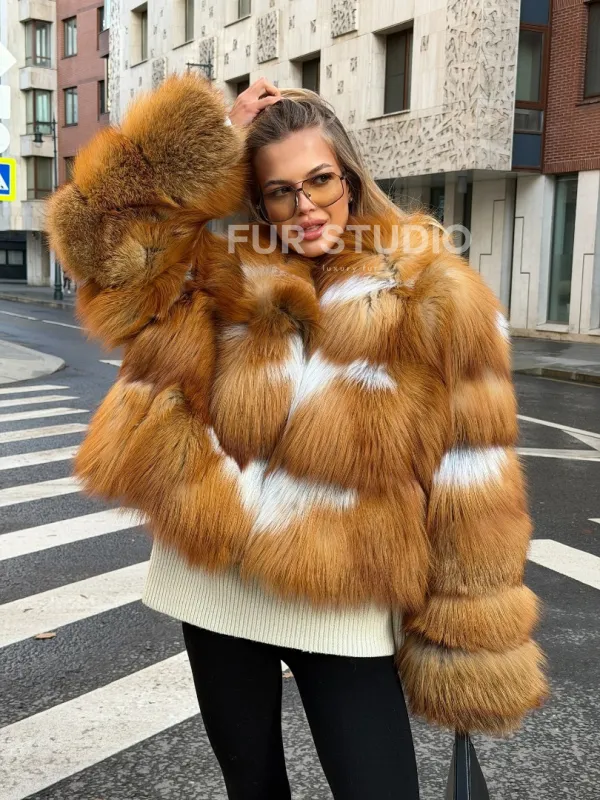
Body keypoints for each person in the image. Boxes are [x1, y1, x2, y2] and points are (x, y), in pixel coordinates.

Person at [46, 74, 549, 800]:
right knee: (252, 787)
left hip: (343, 594)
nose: (305, 207)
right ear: (258, 198)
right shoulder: (226, 271)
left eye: (320, 180)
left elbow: (475, 478)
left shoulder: (434, 291)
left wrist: (469, 643)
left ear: (349, 175)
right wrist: (211, 141)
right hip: (215, 581)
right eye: (280, 191)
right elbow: (99, 247)